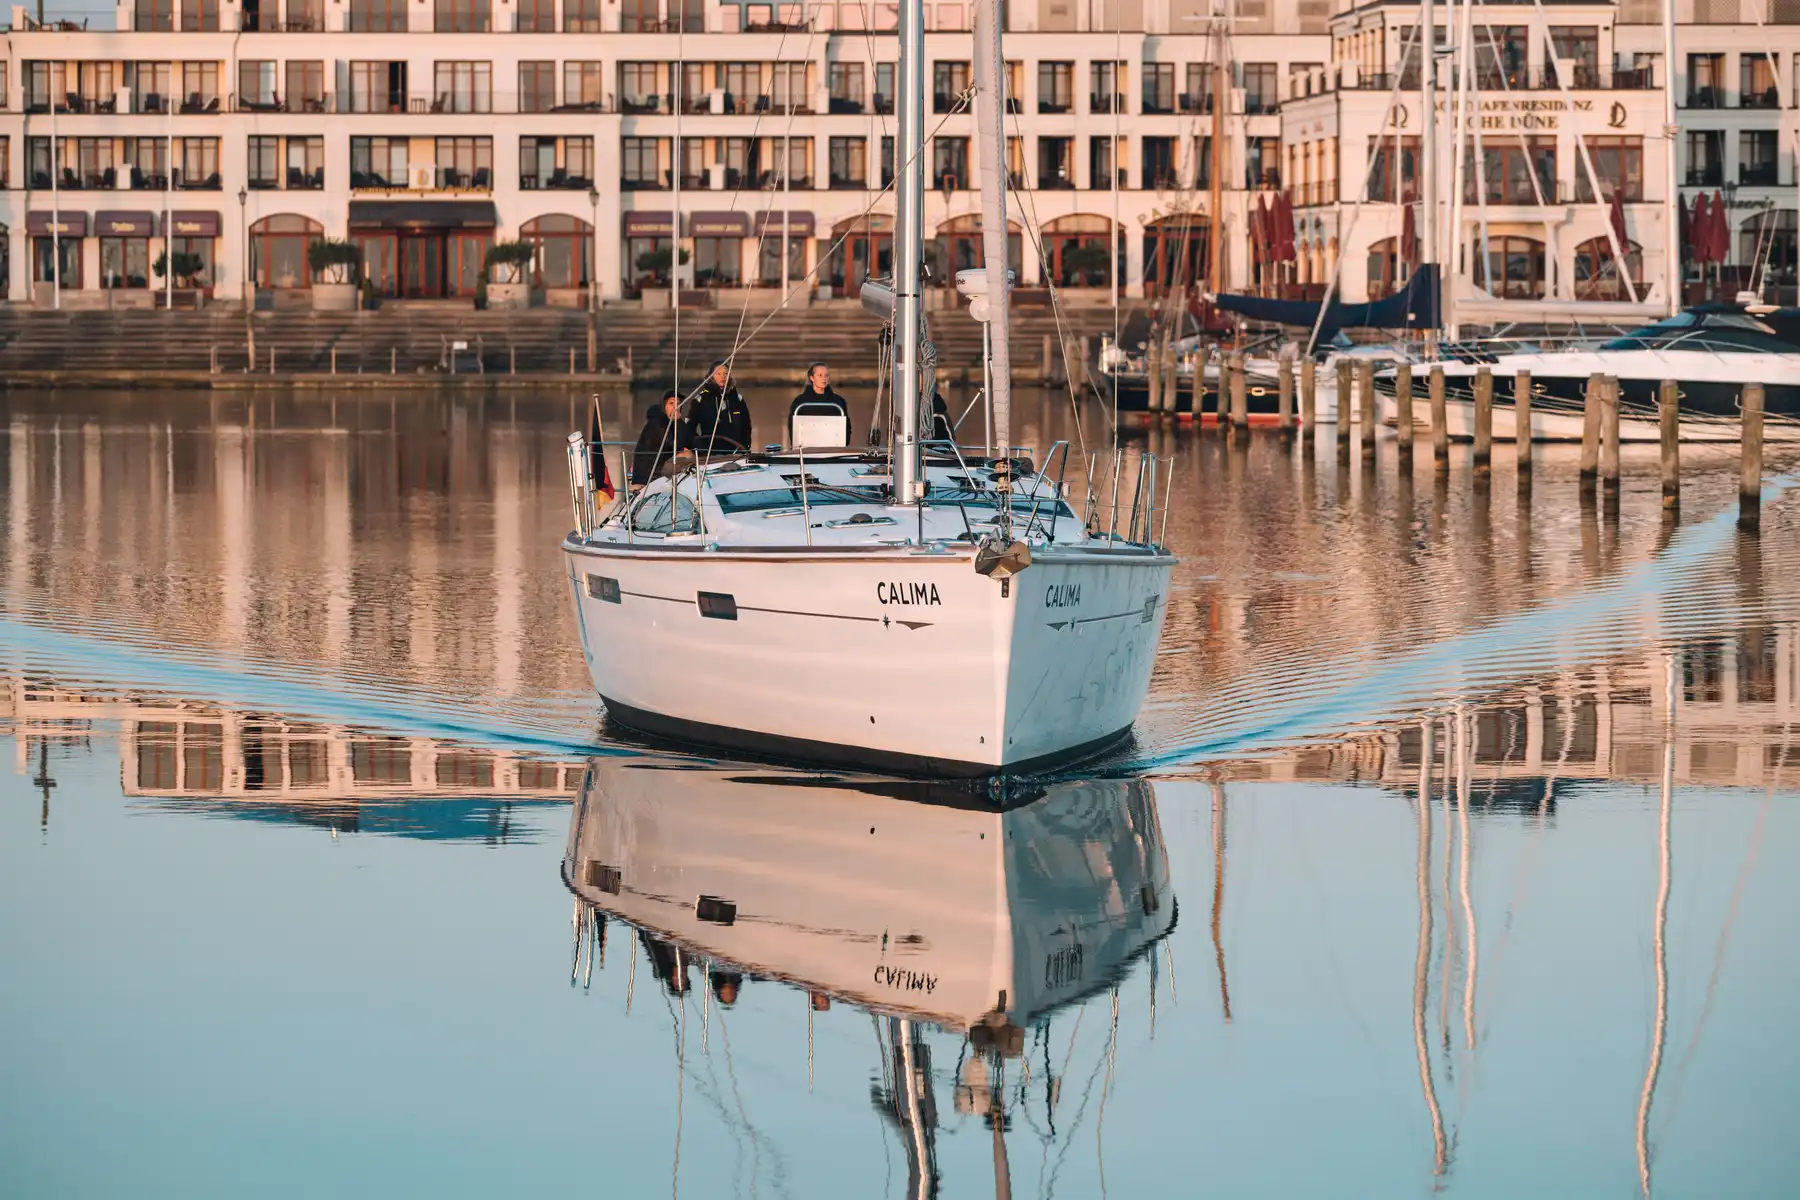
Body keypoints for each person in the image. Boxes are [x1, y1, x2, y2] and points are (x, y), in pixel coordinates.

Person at [630, 389, 691, 485]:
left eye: (678, 404)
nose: (676, 407)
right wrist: (679, 422)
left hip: (661, 472)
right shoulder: (656, 424)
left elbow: (688, 439)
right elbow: (675, 445)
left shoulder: (671, 423)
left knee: (690, 455)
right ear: (664, 406)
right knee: (687, 456)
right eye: (671, 403)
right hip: (649, 478)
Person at [692, 360, 753, 455]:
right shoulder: (701, 400)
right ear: (711, 376)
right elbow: (690, 428)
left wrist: (745, 446)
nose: (723, 377)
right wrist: (701, 448)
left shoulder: (737, 399)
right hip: (711, 454)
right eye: (718, 373)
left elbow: (746, 427)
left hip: (736, 453)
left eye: (726, 373)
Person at [788, 361, 850, 429]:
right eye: (820, 375)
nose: (824, 379)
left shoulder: (838, 402)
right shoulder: (800, 402)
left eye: (826, 375)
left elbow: (846, 427)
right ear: (812, 378)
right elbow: (792, 427)